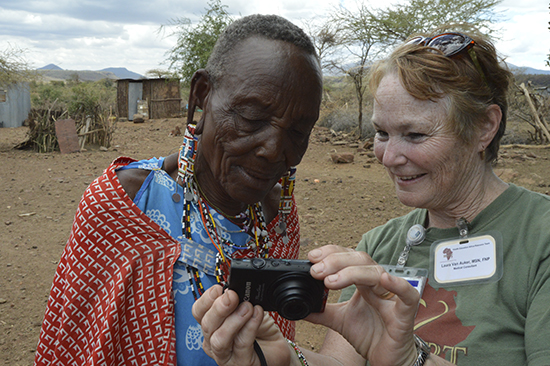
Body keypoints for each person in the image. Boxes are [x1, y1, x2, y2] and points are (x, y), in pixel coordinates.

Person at [192, 28, 550, 366]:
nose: (389, 157)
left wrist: (413, 359)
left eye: (414, 134)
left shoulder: (539, 239)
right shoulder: (380, 246)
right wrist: (278, 358)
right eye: (382, 132)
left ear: (484, 127)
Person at [34, 14, 323, 366]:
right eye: (251, 117)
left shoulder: (277, 218)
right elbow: (72, 347)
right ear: (201, 94)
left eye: (298, 131)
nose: (274, 149)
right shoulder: (124, 204)